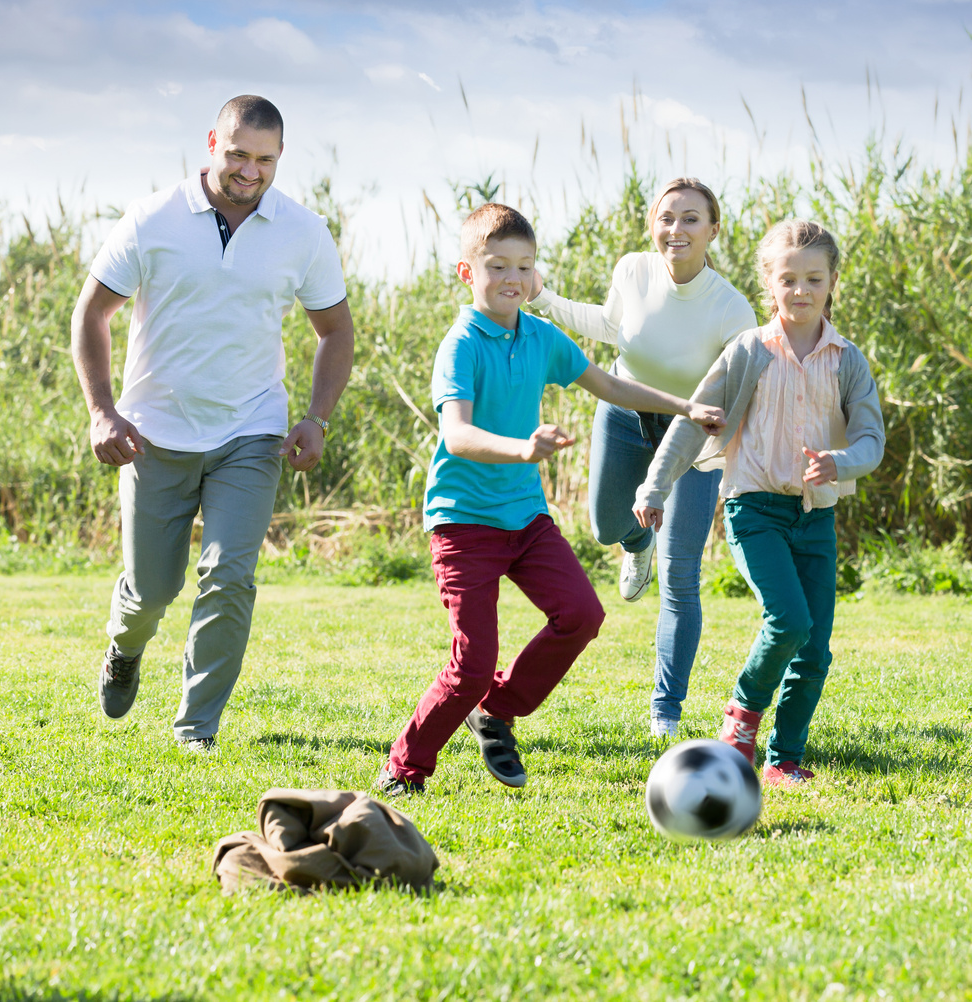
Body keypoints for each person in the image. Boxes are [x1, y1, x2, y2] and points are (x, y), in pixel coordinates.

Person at [376, 203, 726, 796]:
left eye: (523, 266)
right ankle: (404, 768)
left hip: (527, 520)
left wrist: (686, 406)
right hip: (463, 524)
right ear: (467, 272)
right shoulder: (461, 344)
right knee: (471, 663)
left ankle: (497, 710)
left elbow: (608, 383)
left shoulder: (539, 336)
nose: (511, 278)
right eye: (496, 266)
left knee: (582, 615)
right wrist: (523, 450)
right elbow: (456, 435)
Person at [71, 95, 355, 750]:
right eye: (237, 155)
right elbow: (92, 314)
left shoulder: (303, 233)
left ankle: (196, 728)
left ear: (280, 158)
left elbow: (335, 330)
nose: (249, 171)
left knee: (228, 574)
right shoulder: (153, 218)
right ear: (211, 143)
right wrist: (101, 412)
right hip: (153, 432)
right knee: (151, 591)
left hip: (250, 431)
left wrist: (316, 417)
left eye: (264, 159)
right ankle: (124, 645)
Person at [634, 219, 884, 786]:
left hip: (816, 514)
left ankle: (783, 759)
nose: (801, 291)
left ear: (832, 282)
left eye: (813, 279)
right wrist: (655, 486)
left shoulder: (847, 360)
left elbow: (871, 439)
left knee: (815, 647)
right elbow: (693, 424)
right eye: (788, 279)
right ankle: (741, 723)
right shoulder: (748, 351)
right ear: (768, 285)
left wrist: (840, 463)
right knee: (788, 619)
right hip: (754, 509)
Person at [527, 178, 757, 738]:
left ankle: (665, 711)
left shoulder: (732, 309)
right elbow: (611, 327)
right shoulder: (633, 270)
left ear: (713, 230)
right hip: (626, 414)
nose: (675, 230)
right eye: (666, 218)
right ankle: (636, 541)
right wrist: (543, 299)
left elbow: (743, 396)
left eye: (690, 219)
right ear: (652, 223)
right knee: (606, 525)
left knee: (682, 577)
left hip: (693, 441)